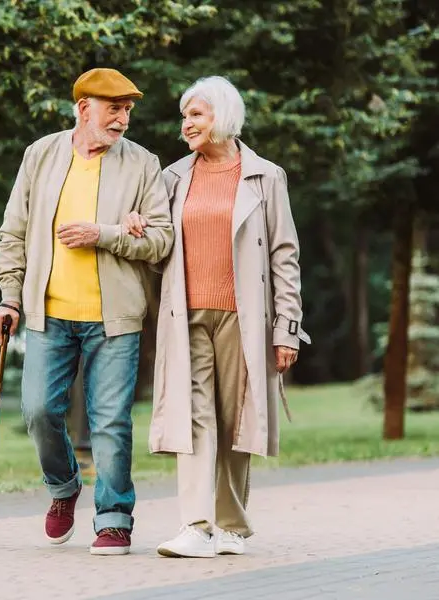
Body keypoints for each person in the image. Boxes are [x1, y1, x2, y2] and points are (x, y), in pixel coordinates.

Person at [123, 75, 310, 558]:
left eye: (196, 115)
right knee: (195, 416)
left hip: (244, 318)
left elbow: (284, 257)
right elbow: (158, 246)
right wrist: (136, 226)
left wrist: (286, 328)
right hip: (185, 314)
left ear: (222, 117)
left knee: (236, 419)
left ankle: (232, 527)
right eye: (185, 116)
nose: (186, 124)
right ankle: (195, 525)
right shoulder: (172, 177)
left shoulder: (266, 176)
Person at [0, 68, 174, 556]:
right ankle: (64, 486)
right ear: (83, 108)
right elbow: (13, 234)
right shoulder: (42, 155)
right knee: (38, 411)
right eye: (114, 108)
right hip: (48, 316)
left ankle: (114, 518)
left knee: (111, 420)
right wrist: (11, 296)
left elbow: (161, 241)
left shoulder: (142, 164)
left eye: (128, 110)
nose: (123, 119)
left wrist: (106, 234)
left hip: (114, 319)